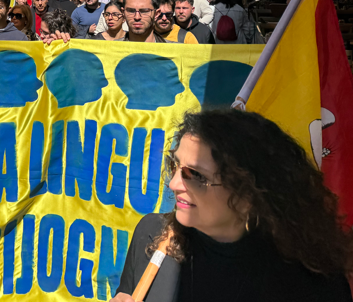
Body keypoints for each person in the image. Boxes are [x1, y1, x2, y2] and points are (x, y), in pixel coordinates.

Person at [113, 110, 353, 302]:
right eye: (174, 165)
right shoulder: (153, 235)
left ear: (248, 192)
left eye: (195, 174)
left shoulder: (310, 280)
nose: (174, 183)